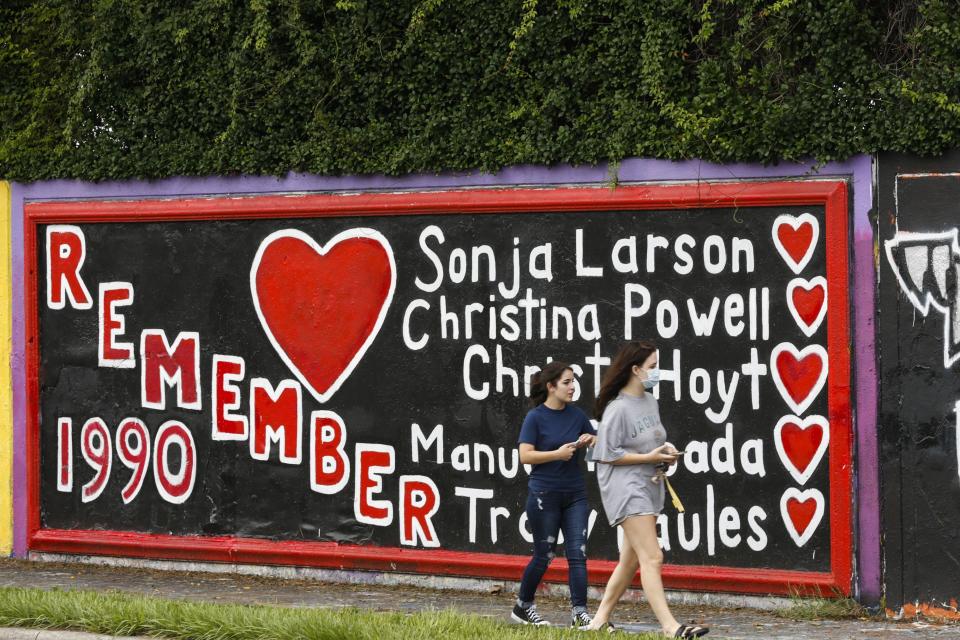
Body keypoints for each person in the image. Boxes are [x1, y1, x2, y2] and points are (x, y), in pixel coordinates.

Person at [583, 340, 709, 638]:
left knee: (630, 559)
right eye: (653, 367)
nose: (657, 372)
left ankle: (598, 620)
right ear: (636, 370)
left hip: (649, 485)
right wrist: (651, 457)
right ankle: (670, 627)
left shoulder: (649, 401)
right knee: (653, 557)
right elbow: (607, 453)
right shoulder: (617, 409)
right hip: (626, 489)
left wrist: (664, 451)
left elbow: (650, 441)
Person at [512, 361, 597, 628]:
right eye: (566, 382)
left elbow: (595, 440)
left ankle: (580, 613)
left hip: (575, 494)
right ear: (551, 387)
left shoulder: (577, 415)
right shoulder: (535, 417)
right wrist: (557, 454)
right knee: (544, 554)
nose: (572, 387)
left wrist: (590, 440)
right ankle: (522, 606)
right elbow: (525, 456)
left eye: (573, 382)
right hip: (543, 494)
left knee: (578, 553)